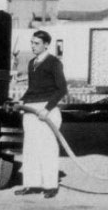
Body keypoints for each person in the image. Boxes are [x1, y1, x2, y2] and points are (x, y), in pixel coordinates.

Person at [14, 30, 67, 199]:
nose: (33, 46)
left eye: (36, 43)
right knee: (30, 147)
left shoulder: (54, 63)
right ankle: (31, 184)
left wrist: (48, 108)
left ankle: (50, 185)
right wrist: (22, 101)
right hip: (31, 109)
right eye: (32, 43)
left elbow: (62, 88)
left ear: (46, 44)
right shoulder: (32, 63)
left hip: (46, 110)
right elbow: (32, 89)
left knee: (48, 147)